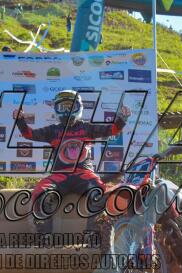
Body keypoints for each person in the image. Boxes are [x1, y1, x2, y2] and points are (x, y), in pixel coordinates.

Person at [13, 90, 130, 235]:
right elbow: (29, 134)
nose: (67, 111)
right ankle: (44, 236)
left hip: (84, 175)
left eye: (70, 107)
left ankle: (93, 234)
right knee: (42, 192)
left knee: (99, 192)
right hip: (60, 176)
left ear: (79, 108)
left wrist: (122, 118)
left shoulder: (87, 127)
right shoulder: (53, 130)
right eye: (63, 108)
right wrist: (20, 120)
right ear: (56, 110)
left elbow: (112, 130)